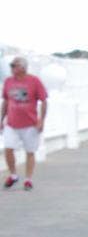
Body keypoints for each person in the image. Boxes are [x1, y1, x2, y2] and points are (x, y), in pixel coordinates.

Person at [1, 57, 47, 190]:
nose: (11, 68)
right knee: (8, 148)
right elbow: (6, 101)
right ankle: (13, 175)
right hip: (12, 123)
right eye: (11, 66)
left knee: (30, 151)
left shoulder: (34, 81)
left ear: (23, 67)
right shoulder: (8, 82)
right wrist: (1, 119)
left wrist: (41, 120)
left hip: (30, 124)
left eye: (14, 65)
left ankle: (28, 179)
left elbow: (44, 101)